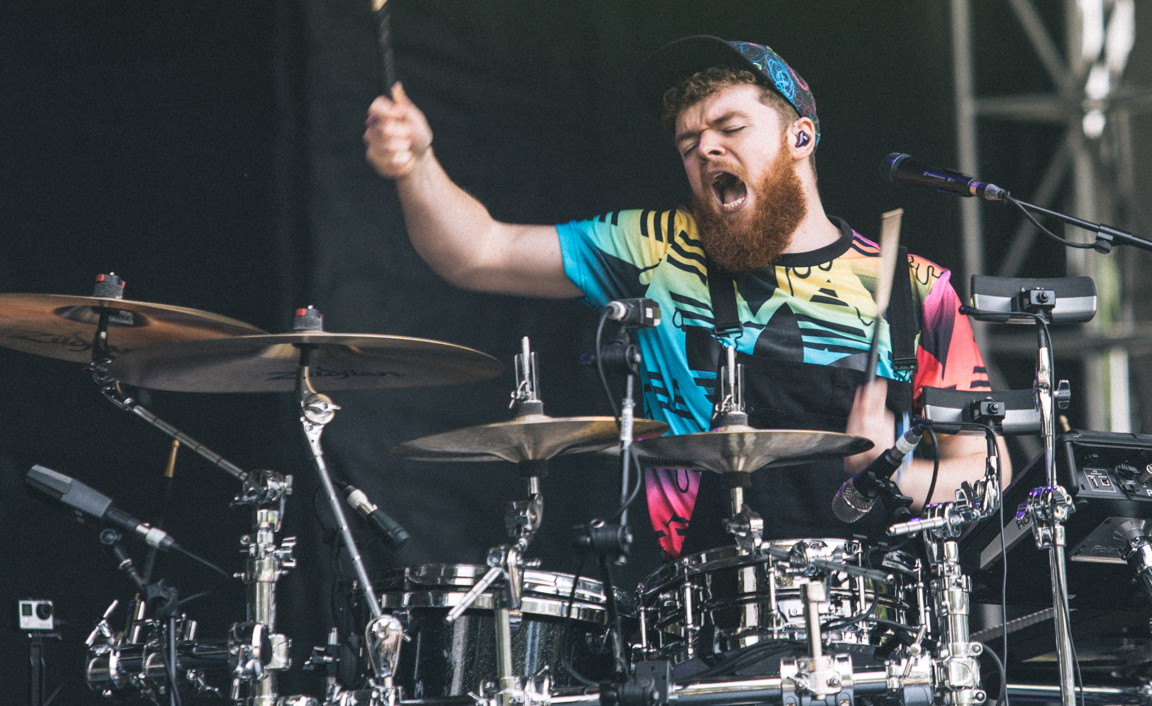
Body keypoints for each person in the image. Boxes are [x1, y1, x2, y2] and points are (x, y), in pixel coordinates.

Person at [363, 35, 1009, 559]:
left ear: (800, 137)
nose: (705, 148)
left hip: (883, 618)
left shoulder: (917, 288)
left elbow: (988, 467)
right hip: (702, 612)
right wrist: (417, 165)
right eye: (688, 141)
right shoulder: (650, 248)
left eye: (730, 126)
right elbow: (478, 251)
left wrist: (892, 475)